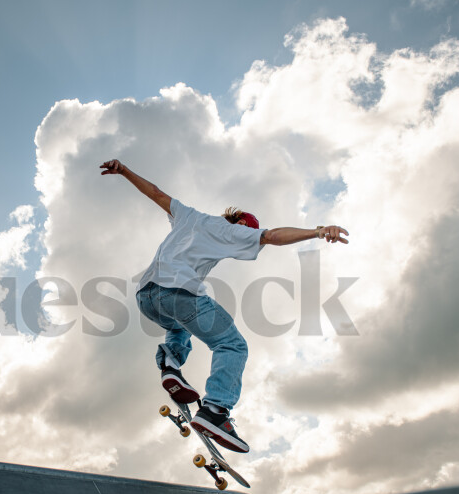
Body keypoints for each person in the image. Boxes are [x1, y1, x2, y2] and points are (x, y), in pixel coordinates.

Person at [100, 158, 349, 453]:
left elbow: (155, 193)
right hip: (178, 293)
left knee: (180, 325)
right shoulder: (236, 231)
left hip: (146, 296)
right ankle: (216, 410)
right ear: (243, 225)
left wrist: (124, 170)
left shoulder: (189, 216)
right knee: (232, 345)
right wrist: (318, 231)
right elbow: (272, 236)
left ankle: (170, 361)